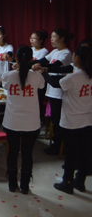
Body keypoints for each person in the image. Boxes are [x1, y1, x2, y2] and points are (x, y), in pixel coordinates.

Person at [43, 45, 92, 194]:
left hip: (71, 120)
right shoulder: (87, 75)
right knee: (85, 152)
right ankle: (80, 181)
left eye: (74, 55)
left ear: (78, 58)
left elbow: (56, 84)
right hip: (88, 119)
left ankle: (68, 182)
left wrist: (43, 73)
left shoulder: (74, 77)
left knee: (71, 153)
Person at [0, 46, 45, 194]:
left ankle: (12, 183)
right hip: (31, 122)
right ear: (32, 59)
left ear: (16, 58)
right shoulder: (37, 76)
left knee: (12, 152)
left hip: (12, 121)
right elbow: (41, 86)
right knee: (27, 153)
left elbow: (2, 83)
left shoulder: (8, 75)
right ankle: (25, 185)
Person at [32, 28, 74, 155]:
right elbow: (43, 61)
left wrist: (43, 70)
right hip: (51, 90)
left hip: (60, 92)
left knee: (58, 120)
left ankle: (59, 146)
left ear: (62, 39)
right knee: (54, 119)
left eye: (54, 36)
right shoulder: (55, 51)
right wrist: (28, 63)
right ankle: (57, 144)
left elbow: (55, 66)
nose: (51, 39)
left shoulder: (66, 53)